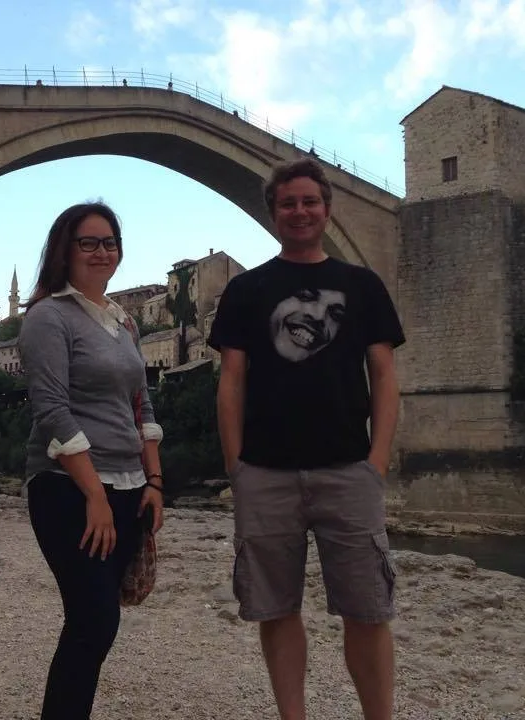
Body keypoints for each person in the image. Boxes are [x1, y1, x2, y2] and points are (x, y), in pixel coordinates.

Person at [207, 158, 405, 720]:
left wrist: (377, 462)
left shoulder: (361, 285)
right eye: (288, 203)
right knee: (276, 609)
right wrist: (235, 467)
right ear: (273, 213)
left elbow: (385, 377)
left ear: (326, 209)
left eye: (309, 202)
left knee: (368, 610)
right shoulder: (247, 289)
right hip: (264, 472)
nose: (299, 211)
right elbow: (231, 382)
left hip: (349, 470)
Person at [18, 202, 164, 720]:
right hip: (67, 486)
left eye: (110, 242)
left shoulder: (123, 323)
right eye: (90, 242)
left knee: (98, 624)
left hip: (128, 485)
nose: (103, 252)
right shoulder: (48, 316)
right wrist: (95, 495)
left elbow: (141, 403)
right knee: (92, 620)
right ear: (65, 250)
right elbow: (52, 408)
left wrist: (154, 480)